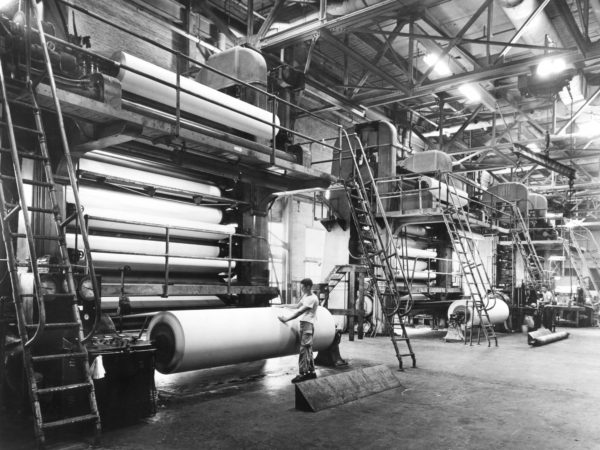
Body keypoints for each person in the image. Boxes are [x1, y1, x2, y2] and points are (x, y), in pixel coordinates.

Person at [278, 278, 319, 383]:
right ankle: (311, 372)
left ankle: (303, 374)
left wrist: (286, 319)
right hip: (304, 325)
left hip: (307, 325)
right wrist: (284, 305)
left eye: (303, 287)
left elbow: (299, 312)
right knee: (308, 349)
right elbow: (297, 306)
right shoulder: (306, 296)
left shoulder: (312, 298)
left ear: (308, 287)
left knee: (304, 349)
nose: (301, 289)